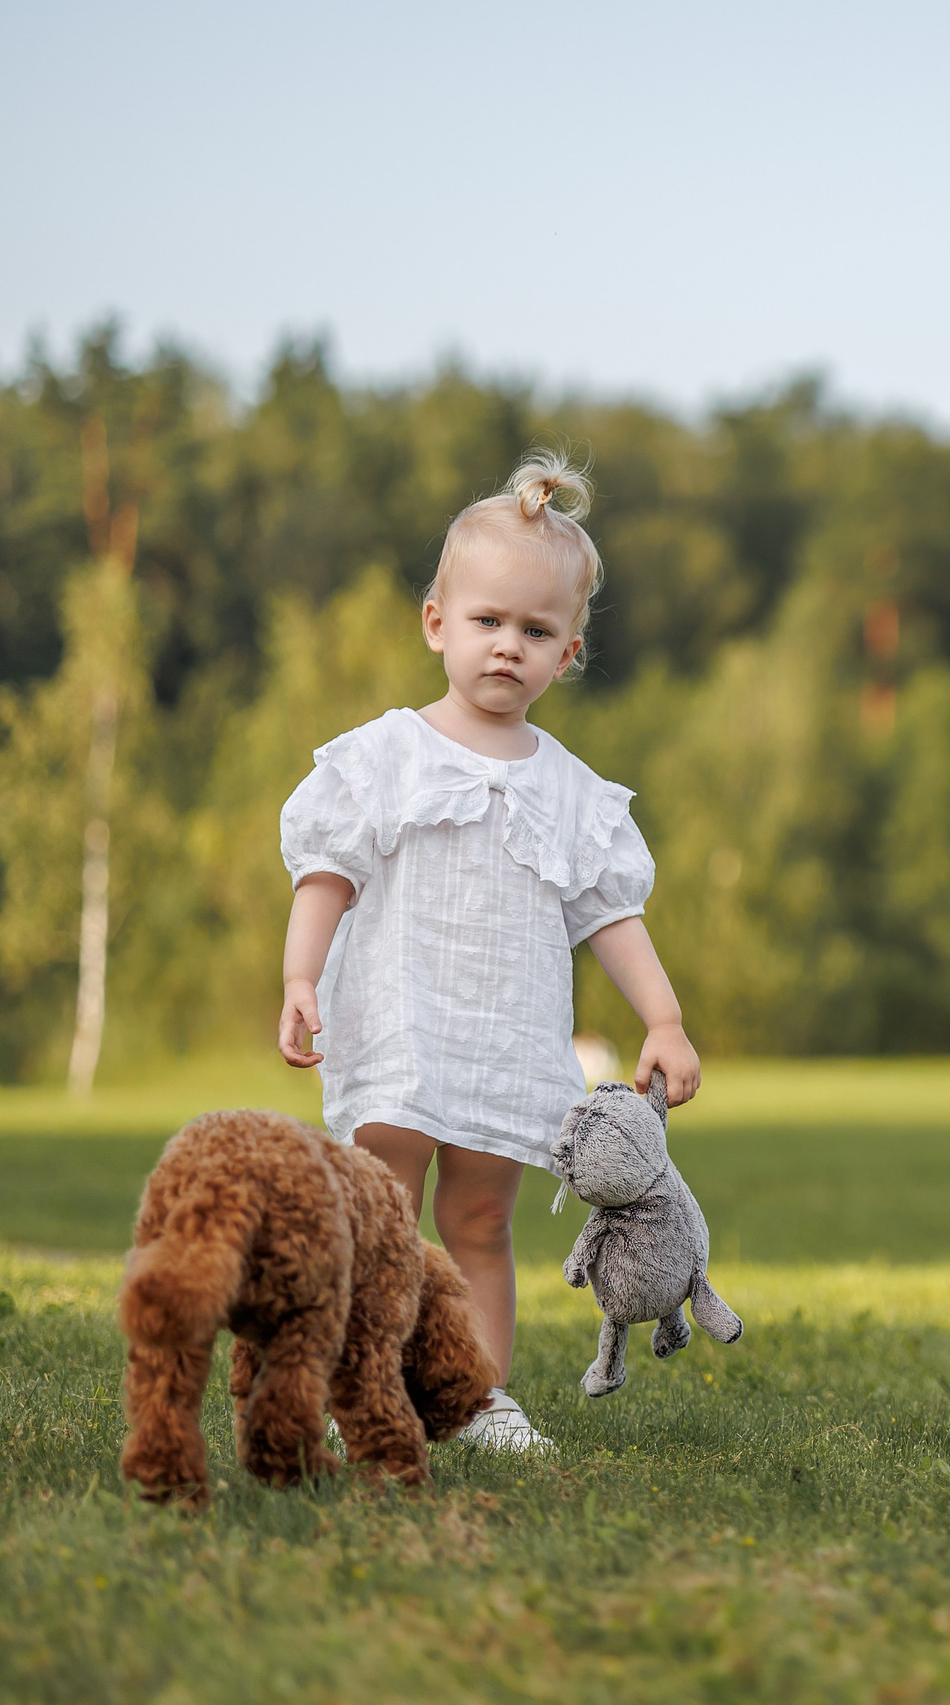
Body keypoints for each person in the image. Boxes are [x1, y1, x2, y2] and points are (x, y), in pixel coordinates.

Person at [274, 449, 701, 1451]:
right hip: (397, 1021)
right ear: (437, 624)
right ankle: (362, 1390)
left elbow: (611, 915)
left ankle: (472, 1398)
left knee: (480, 1224)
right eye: (487, 621)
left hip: (504, 1036)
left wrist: (664, 1017)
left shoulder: (572, 792)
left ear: (568, 651)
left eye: (535, 630)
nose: (508, 646)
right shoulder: (386, 756)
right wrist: (301, 973)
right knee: (378, 1216)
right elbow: (326, 871)